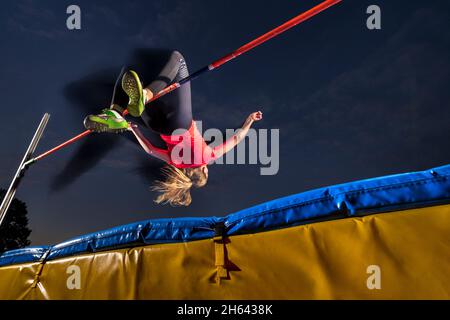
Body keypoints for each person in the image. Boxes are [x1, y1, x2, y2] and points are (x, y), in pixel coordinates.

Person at [84, 50, 262, 206]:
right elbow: (151, 150)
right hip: (156, 126)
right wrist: (134, 130)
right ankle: (116, 113)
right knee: (129, 71)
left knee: (178, 59)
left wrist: (250, 120)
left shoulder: (209, 157)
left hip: (180, 123)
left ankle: (139, 98)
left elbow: (238, 138)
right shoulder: (175, 161)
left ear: (203, 170)